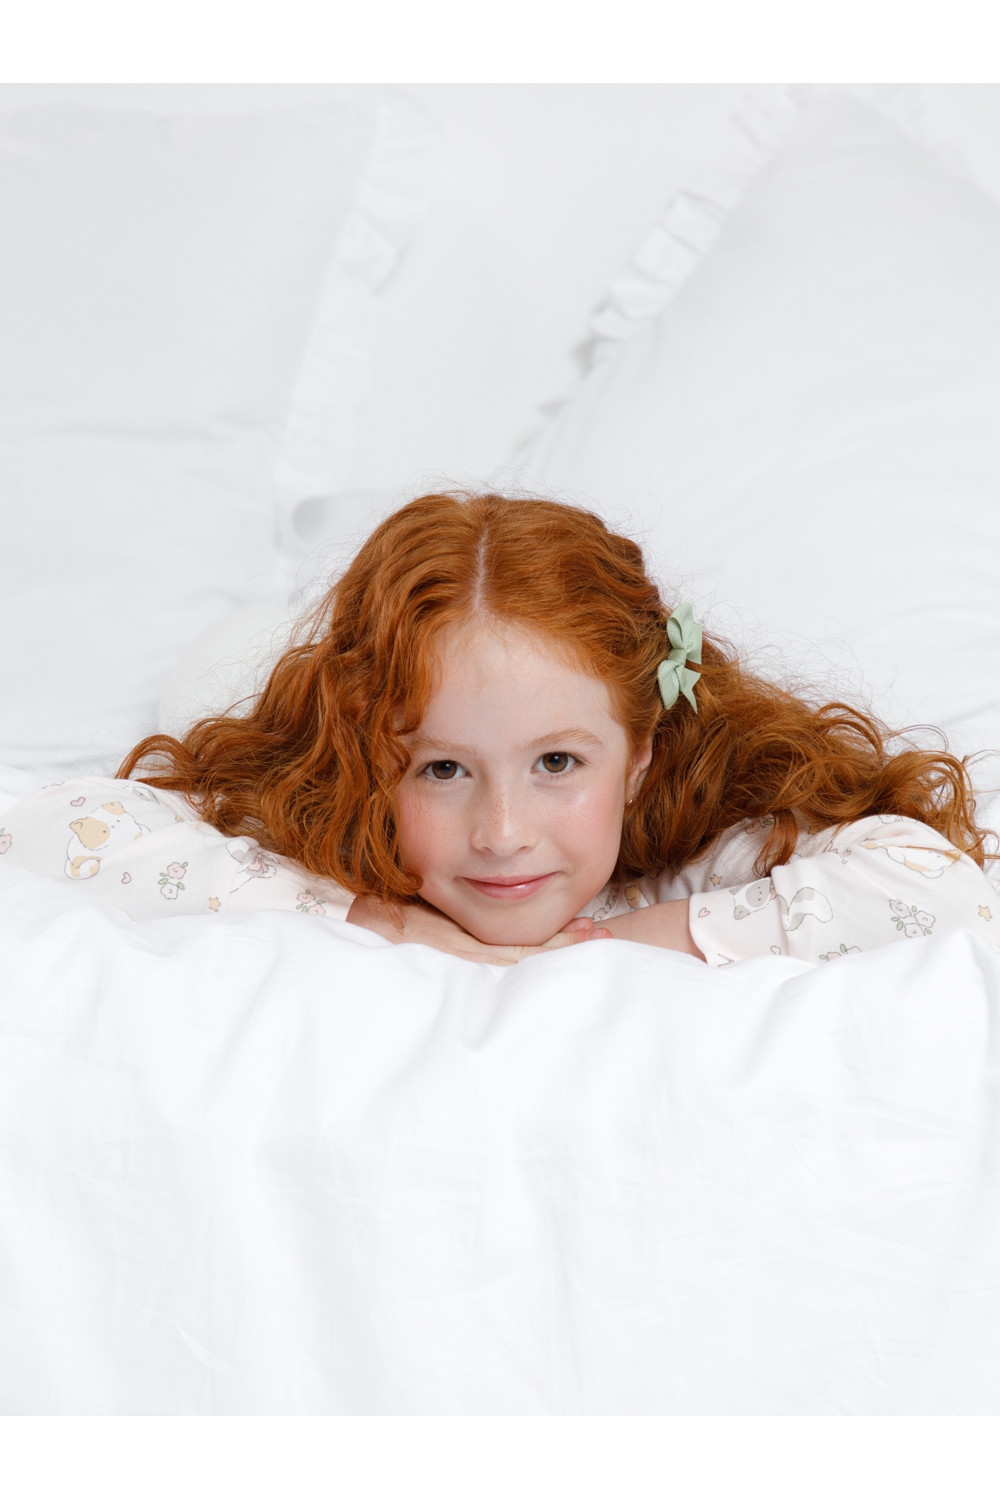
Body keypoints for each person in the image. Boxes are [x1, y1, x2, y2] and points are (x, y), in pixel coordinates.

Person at [2, 490, 997, 967]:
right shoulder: (331, 839)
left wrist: (613, 943)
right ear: (368, 756)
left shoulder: (699, 857)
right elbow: (41, 831)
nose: (503, 833)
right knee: (212, 690)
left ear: (640, 756)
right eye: (442, 770)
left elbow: (942, 889)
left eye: (557, 762)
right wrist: (386, 920)